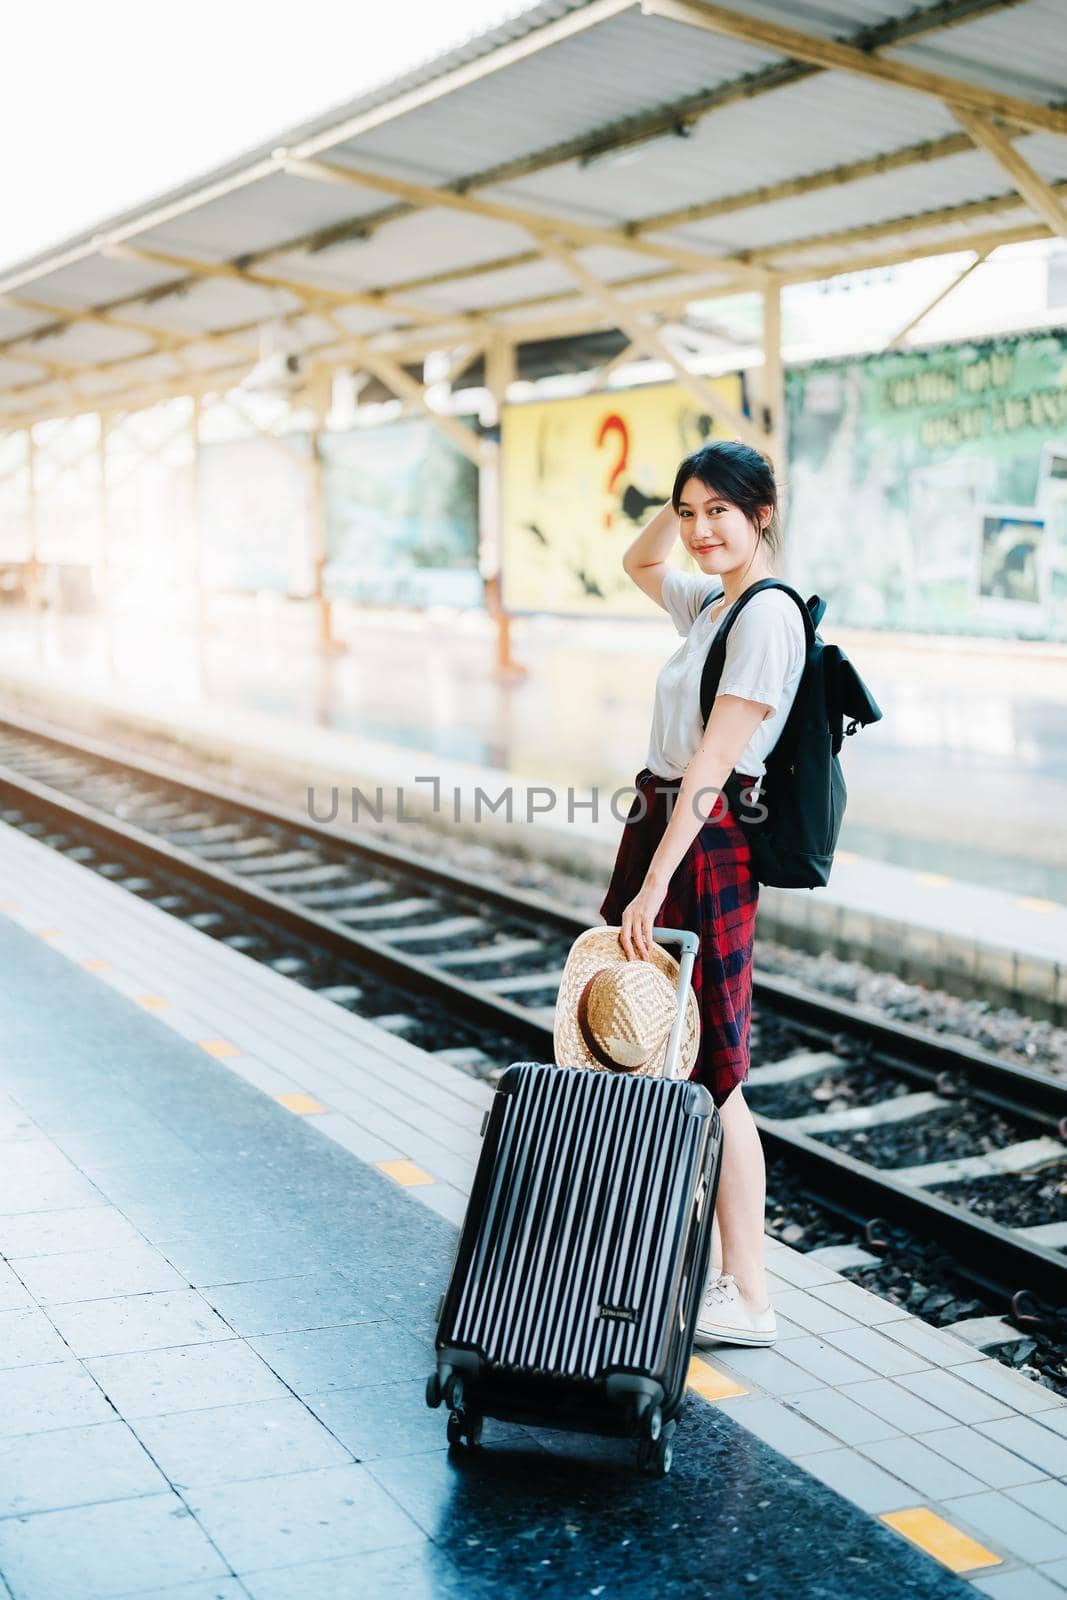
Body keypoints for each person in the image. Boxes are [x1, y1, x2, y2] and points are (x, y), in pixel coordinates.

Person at [598, 440, 807, 1348]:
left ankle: (748, 1293)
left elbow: (715, 769)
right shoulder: (708, 603)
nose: (696, 531)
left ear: (763, 513)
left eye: (719, 511)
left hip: (700, 841)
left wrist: (652, 882)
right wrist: (665, 494)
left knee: (714, 1069)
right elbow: (636, 561)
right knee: (660, 1047)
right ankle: (676, 1255)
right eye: (689, 512)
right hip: (665, 824)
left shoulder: (764, 619)